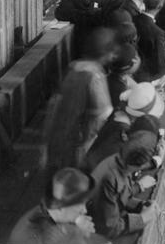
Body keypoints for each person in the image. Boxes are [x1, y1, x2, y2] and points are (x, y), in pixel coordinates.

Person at [45, 27, 116, 170]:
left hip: (59, 139)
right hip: (79, 144)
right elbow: (102, 114)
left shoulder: (74, 69)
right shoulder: (94, 77)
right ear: (105, 53)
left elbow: (54, 107)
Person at [8, 167, 110, 244]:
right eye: (79, 205)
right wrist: (79, 233)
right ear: (60, 207)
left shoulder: (50, 213)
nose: (85, 210)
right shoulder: (36, 234)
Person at [89, 131, 159, 240]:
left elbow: (120, 196)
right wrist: (142, 219)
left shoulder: (121, 160)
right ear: (140, 165)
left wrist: (139, 205)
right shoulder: (111, 179)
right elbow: (108, 228)